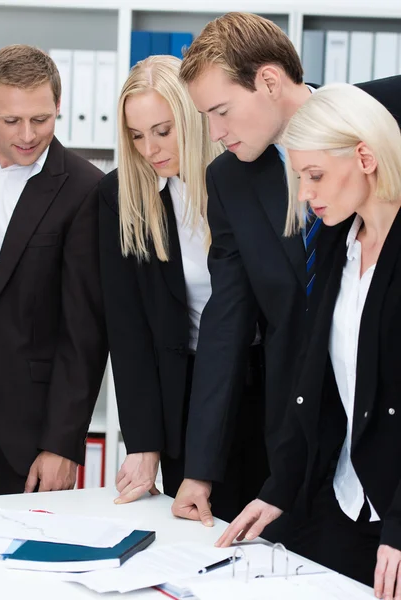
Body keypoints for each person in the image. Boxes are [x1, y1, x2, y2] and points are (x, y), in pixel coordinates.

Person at [172, 11, 401, 528]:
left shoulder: (383, 112)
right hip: (299, 443)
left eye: (222, 111)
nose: (214, 132)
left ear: (269, 81)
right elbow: (226, 320)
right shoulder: (227, 179)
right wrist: (200, 469)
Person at [216, 83, 401, 599]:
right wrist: (281, 487)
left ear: (365, 157)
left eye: (314, 175)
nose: (305, 194)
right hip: (345, 498)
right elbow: (317, 387)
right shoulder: (337, 244)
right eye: (300, 177)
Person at [0, 44, 108, 498]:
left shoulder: (86, 188)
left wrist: (63, 444)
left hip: (31, 416)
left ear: (58, 107)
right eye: (11, 121)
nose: (29, 135)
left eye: (42, 119)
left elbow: (84, 331)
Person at [98, 55, 267, 517]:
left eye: (162, 130)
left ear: (196, 116)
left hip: (261, 384)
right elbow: (127, 329)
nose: (149, 149)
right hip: (182, 393)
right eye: (136, 135)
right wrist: (144, 441)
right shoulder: (121, 196)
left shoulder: (246, 177)